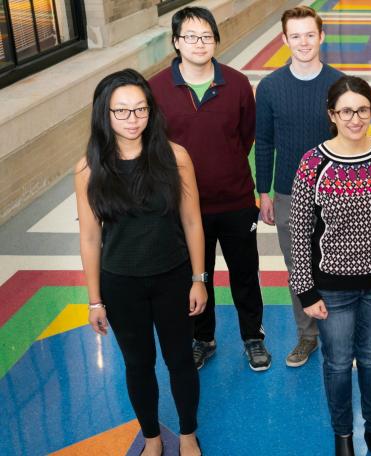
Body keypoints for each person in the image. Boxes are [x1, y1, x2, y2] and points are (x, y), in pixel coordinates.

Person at [74, 69, 206, 456]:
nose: (133, 119)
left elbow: (192, 220)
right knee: (138, 364)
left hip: (173, 276)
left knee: (180, 360)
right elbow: (90, 237)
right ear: (104, 115)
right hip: (121, 284)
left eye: (140, 109)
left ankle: (186, 433)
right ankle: (151, 436)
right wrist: (95, 300)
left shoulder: (175, 156)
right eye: (121, 111)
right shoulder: (88, 169)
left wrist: (198, 278)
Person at [290, 76, 371, 456]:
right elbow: (300, 232)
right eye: (346, 111)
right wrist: (306, 291)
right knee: (339, 362)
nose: (355, 118)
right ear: (332, 114)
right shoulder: (314, 163)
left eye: (363, 109)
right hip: (333, 289)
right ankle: (342, 434)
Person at [149, 7, 271, 371]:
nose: (199, 43)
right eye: (190, 36)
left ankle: (253, 337)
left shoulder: (235, 84)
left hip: (234, 201)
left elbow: (246, 135)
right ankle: (203, 337)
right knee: (195, 276)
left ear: (216, 40)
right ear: (175, 42)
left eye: (206, 36)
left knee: (245, 273)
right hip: (183, 207)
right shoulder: (156, 89)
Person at [255, 5, 343, 368]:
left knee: (338, 265)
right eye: (296, 36)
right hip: (290, 194)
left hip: (335, 194)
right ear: (284, 40)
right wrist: (264, 192)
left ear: (321, 37)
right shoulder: (271, 87)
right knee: (300, 269)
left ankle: (338, 334)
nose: (303, 42)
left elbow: (351, 139)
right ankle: (307, 336)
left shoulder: (338, 84)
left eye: (310, 34)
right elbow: (264, 142)